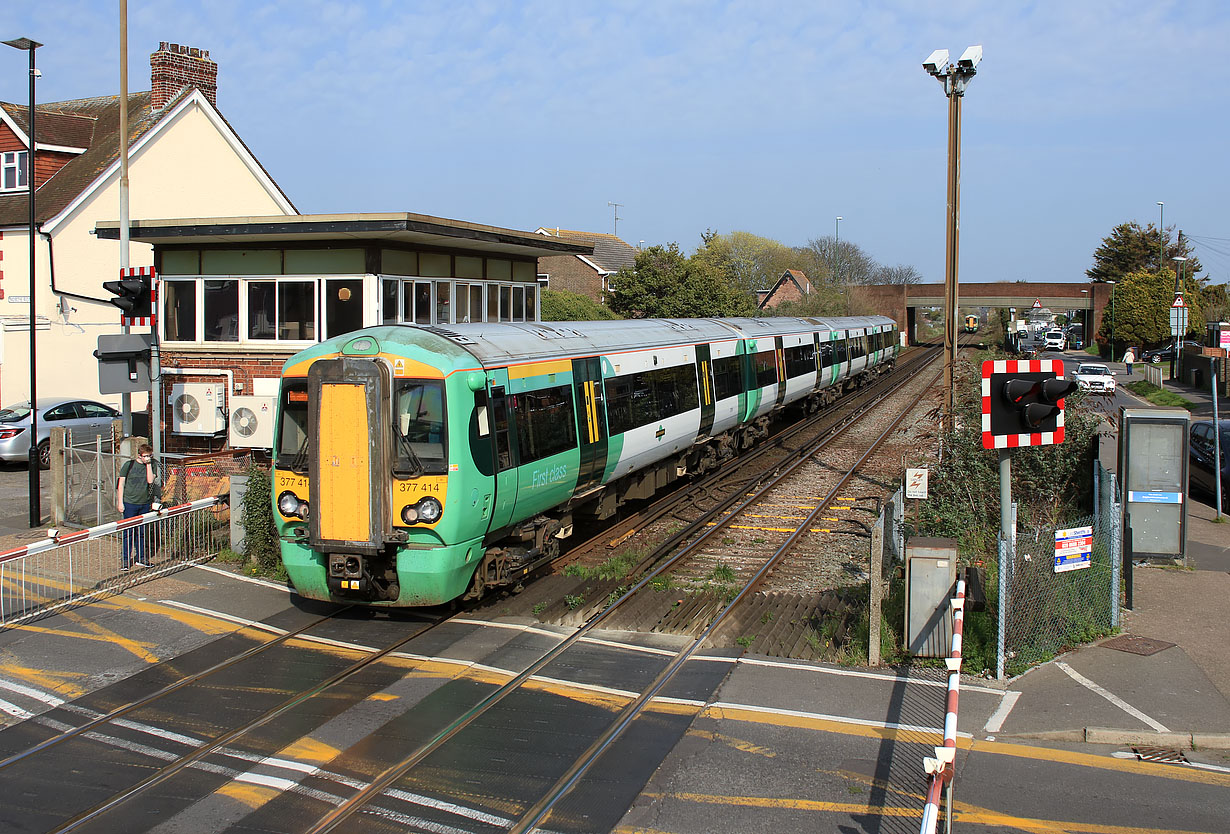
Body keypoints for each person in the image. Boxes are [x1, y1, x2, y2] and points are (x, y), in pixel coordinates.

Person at [116, 443, 160, 571]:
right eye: (145, 456)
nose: (148, 458)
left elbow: (150, 480)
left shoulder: (152, 465)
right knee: (128, 531)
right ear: (139, 456)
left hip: (144, 503)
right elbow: (121, 484)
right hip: (130, 503)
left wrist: (148, 465)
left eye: (149, 456)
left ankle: (141, 557)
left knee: (141, 532)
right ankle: (125, 559)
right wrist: (120, 502)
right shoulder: (128, 465)